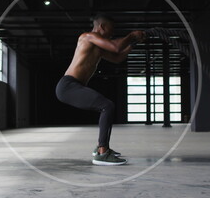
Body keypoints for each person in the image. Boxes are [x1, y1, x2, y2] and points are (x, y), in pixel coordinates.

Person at [55, 14, 145, 166]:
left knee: (106, 106)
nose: (113, 33)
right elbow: (116, 46)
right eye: (111, 29)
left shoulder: (98, 48)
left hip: (75, 86)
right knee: (107, 106)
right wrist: (131, 35)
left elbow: (117, 57)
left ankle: (100, 149)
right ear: (102, 27)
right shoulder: (87, 37)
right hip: (68, 86)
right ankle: (102, 152)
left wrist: (133, 43)